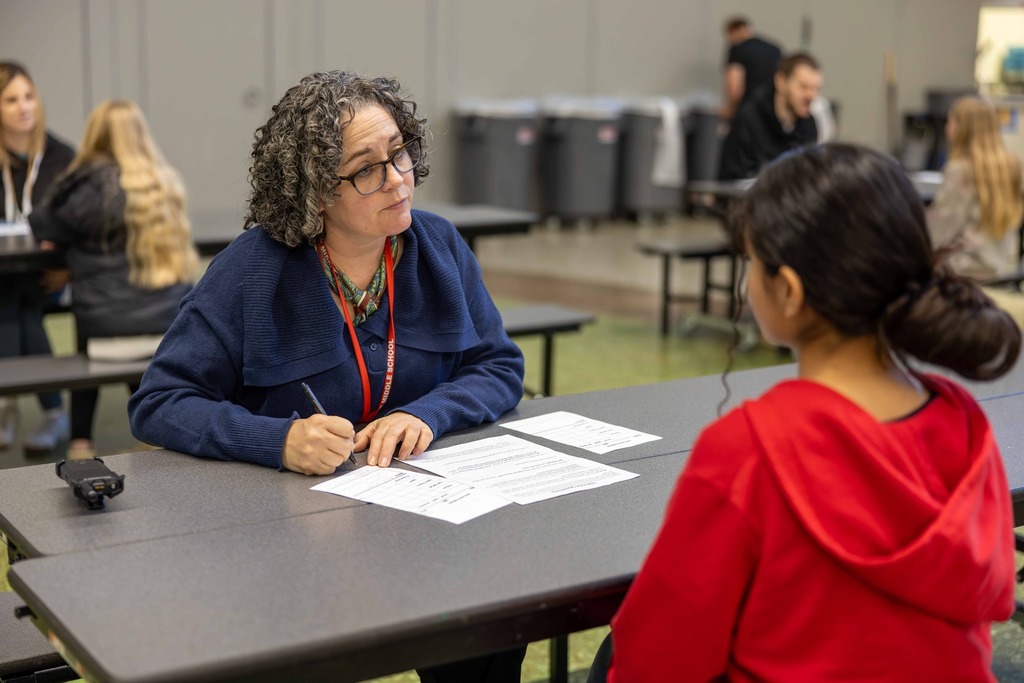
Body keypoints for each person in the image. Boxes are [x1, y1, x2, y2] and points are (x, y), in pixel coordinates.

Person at [128, 71, 526, 681]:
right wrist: (278, 440)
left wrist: (427, 413)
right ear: (315, 192)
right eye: (367, 168)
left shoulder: (439, 246)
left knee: (491, 623)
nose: (397, 178)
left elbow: (499, 365)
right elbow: (159, 402)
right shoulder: (251, 272)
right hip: (287, 541)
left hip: (425, 521)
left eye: (400, 152)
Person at [590, 144, 1020, 682]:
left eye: (752, 263)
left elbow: (656, 663)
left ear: (788, 291)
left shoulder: (747, 452)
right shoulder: (964, 424)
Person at [29, 100, 197, 458]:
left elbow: (41, 222)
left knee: (91, 317)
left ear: (95, 136)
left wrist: (75, 172)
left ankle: (80, 442)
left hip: (103, 329)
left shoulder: (86, 188)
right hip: (167, 324)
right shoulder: (164, 182)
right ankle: (152, 430)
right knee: (119, 315)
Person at [0, 61, 75, 453]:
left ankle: (6, 404)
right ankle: (52, 412)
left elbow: (79, 223)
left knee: (16, 301)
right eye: (11, 100)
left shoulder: (61, 157)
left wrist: (66, 269)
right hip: (6, 279)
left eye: (29, 97)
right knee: (13, 300)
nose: (24, 107)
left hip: (50, 279)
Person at [927, 96, 1024, 325]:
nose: (947, 127)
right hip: (1004, 265)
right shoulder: (1012, 166)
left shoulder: (960, 171)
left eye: (951, 121)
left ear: (963, 128)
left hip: (967, 268)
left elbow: (937, 234)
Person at [718, 52, 822, 181]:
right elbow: (733, 180)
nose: (811, 96)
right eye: (803, 87)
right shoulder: (749, 119)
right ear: (780, 82)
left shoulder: (809, 125)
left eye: (815, 89)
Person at [720, 16, 782, 122]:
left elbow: (735, 88)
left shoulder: (737, 50)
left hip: (747, 114)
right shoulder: (775, 49)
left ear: (735, 31)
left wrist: (729, 111)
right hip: (773, 113)